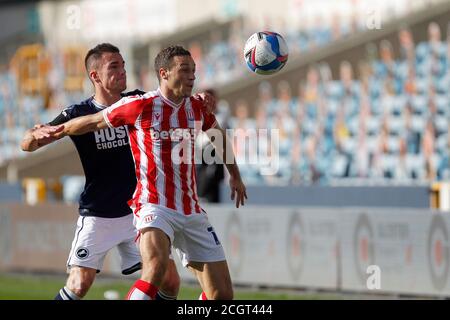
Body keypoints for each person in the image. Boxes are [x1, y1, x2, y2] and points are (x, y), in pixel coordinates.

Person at [44, 45, 247, 300]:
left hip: (191, 209)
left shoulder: (196, 107)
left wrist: (235, 175)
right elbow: (93, 121)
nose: (192, 76)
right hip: (153, 205)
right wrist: (57, 130)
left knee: (222, 295)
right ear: (164, 73)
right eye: (184, 70)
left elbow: (218, 137)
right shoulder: (141, 105)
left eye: (193, 70)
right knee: (155, 269)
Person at [195, 88, 225, 203]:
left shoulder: (221, 115)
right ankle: (201, 195)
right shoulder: (198, 114)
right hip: (201, 154)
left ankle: (206, 196)